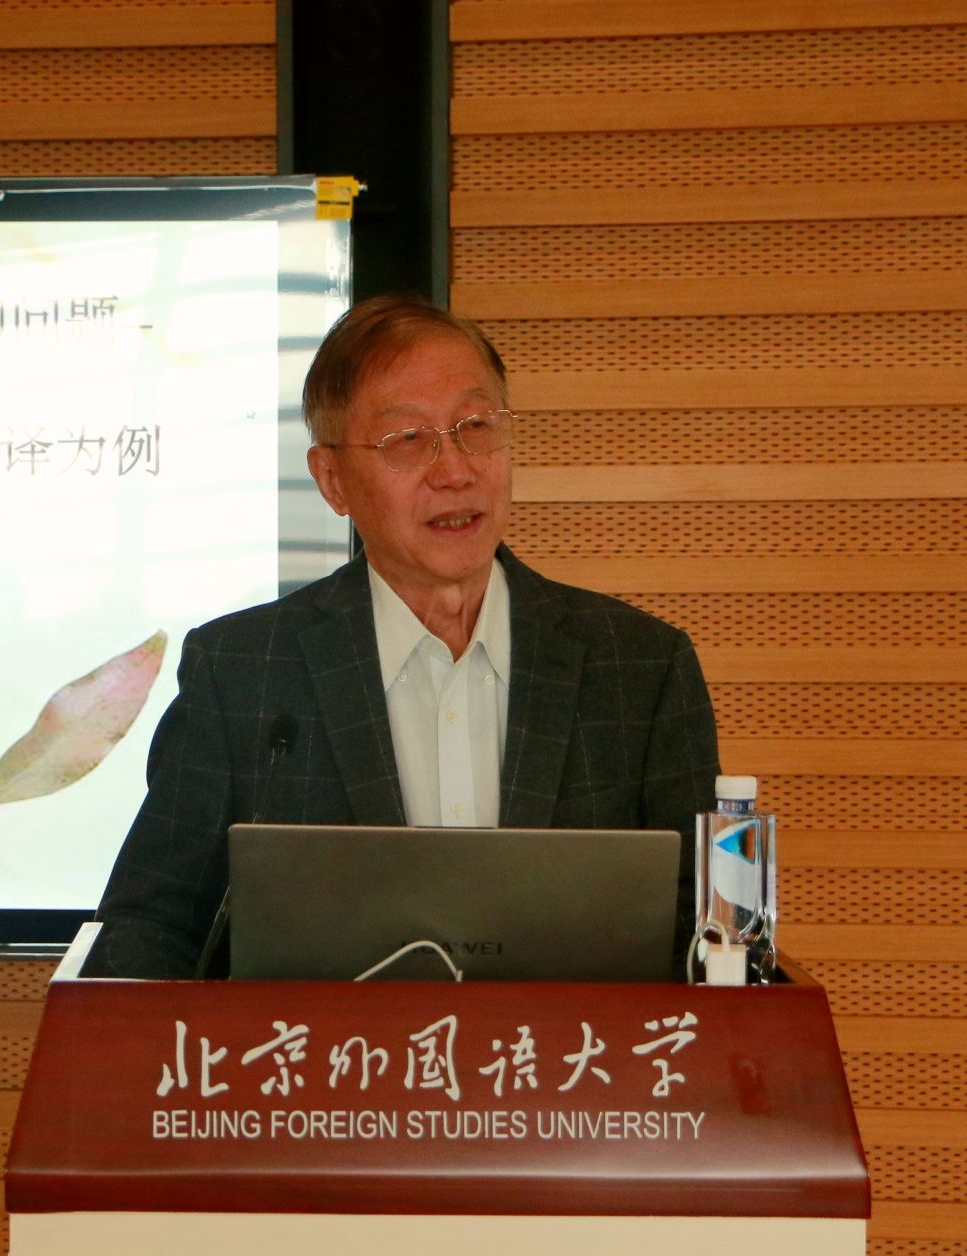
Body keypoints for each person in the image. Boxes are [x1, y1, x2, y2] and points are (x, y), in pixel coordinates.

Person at [85, 295, 719, 978]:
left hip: (569, 1050)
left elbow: (709, 936)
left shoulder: (639, 669)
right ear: (332, 480)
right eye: (408, 440)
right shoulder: (244, 672)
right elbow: (150, 926)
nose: (455, 471)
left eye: (476, 426)